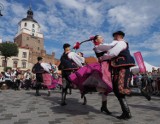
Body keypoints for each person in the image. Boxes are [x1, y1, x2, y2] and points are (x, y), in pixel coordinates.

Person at [95, 31, 151, 119]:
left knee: (121, 90)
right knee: (117, 92)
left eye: (114, 36)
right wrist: (98, 46)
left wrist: (102, 57)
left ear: (118, 36)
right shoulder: (118, 43)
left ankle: (141, 91)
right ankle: (126, 113)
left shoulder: (121, 43)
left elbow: (112, 53)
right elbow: (108, 48)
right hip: (118, 68)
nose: (113, 38)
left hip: (123, 68)